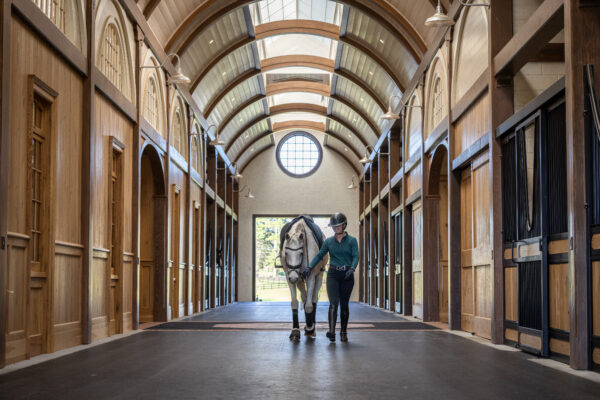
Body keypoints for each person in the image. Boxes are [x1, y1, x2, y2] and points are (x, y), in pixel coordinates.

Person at [303, 212, 358, 342]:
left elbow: (356, 256)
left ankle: (343, 332)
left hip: (347, 275)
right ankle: (332, 332)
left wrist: (352, 268)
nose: (335, 228)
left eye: (338, 226)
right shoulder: (328, 241)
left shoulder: (352, 240)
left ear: (344, 225)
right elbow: (319, 255)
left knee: (344, 305)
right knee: (333, 303)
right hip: (333, 274)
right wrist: (310, 267)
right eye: (334, 226)